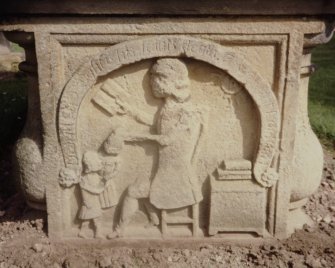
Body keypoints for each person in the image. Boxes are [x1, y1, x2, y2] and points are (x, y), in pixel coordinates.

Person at [108, 58, 207, 238]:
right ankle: (153, 220)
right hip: (165, 171)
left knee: (132, 191)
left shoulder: (187, 112)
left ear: (169, 82)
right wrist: (130, 111)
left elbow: (165, 139)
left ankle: (119, 230)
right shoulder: (169, 108)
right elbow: (156, 125)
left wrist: (132, 137)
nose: (152, 83)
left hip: (176, 177)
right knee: (139, 183)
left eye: (156, 79)